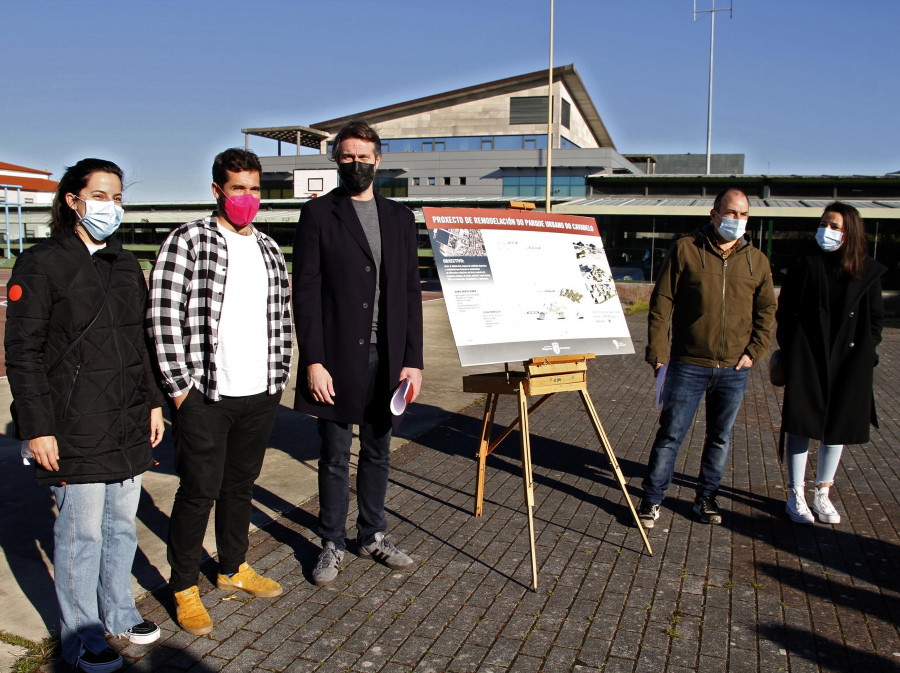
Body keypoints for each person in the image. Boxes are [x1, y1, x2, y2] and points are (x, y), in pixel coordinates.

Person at [5, 159, 165, 673]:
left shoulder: (124, 265)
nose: (110, 206)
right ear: (72, 200)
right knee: (81, 535)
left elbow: (140, 343)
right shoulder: (42, 262)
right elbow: (22, 351)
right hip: (72, 424)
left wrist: (154, 402)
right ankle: (81, 635)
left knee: (120, 526)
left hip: (126, 418)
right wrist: (36, 427)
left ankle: (118, 613)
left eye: (117, 197)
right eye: (100, 195)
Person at [147, 148, 292, 634]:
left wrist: (279, 375)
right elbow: (163, 316)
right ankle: (184, 585)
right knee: (199, 490)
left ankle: (232, 567)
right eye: (237, 189)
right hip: (206, 392)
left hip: (259, 390)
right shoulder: (189, 239)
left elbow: (282, 316)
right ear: (217, 191)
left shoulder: (270, 249)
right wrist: (179, 388)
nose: (247, 198)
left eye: (254, 189)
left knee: (240, 487)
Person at [293, 120, 423, 586]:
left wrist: (413, 360)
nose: (356, 164)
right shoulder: (319, 215)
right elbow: (305, 293)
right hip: (337, 358)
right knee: (333, 452)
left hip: (386, 359)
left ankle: (372, 534)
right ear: (335, 159)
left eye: (364, 156)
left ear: (378, 159)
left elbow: (410, 292)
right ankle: (330, 541)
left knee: (378, 450)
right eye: (347, 156)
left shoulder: (401, 219)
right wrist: (313, 361)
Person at [638, 188, 776, 528]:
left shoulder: (756, 261)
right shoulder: (687, 249)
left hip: (733, 368)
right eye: (731, 213)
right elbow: (662, 302)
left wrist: (754, 352)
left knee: (720, 436)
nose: (737, 220)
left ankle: (706, 498)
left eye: (743, 214)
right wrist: (658, 353)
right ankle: (652, 499)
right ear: (714, 214)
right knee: (671, 433)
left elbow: (767, 311)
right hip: (688, 364)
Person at [776, 202, 884, 525]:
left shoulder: (867, 270)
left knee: (835, 426)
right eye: (824, 223)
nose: (827, 230)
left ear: (849, 232)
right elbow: (786, 308)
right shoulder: (805, 263)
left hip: (849, 360)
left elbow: (875, 319)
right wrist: (791, 346)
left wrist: (868, 353)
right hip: (808, 356)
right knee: (801, 422)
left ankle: (822, 492)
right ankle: (796, 493)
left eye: (835, 225)